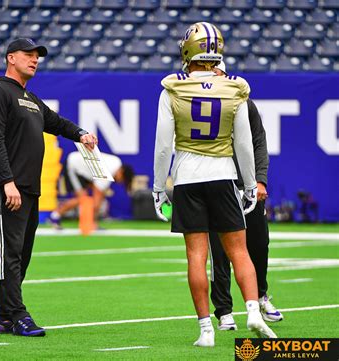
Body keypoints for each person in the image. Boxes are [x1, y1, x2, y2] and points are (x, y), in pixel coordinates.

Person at [152, 22, 277, 347]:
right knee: (239, 251)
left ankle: (207, 329)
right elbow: (245, 145)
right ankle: (252, 310)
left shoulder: (172, 88)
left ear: (187, 49)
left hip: (188, 178)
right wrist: (251, 184)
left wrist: (157, 186)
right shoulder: (234, 88)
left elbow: (164, 145)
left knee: (197, 255)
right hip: (223, 175)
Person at [0, 38, 98, 337]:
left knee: (22, 255)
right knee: (10, 256)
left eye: (37, 57)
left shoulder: (29, 97)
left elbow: (55, 122)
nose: (35, 60)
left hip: (28, 189)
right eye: (28, 55)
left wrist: (80, 133)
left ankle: (6, 318)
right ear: (10, 58)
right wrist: (8, 182)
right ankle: (18, 315)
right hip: (5, 189)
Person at [209, 62, 283, 332]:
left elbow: (259, 142)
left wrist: (260, 179)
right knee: (219, 252)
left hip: (247, 183)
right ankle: (224, 311)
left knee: (259, 244)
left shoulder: (243, 102)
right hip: (217, 182)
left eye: (214, 72)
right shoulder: (197, 102)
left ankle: (261, 295)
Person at [48, 151, 134, 229]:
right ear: (121, 171)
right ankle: (55, 216)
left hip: (84, 169)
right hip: (73, 165)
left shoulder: (116, 161)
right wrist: (94, 219)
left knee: (86, 198)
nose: (119, 181)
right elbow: (97, 196)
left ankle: (90, 222)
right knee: (83, 198)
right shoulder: (110, 170)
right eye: (122, 179)